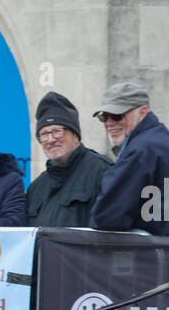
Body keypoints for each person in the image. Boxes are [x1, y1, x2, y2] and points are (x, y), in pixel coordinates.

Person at [88, 82, 169, 236]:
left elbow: (107, 216)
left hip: (158, 254)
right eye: (104, 117)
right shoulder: (162, 141)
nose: (109, 123)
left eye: (117, 115)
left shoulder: (142, 150)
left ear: (143, 112)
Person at [26, 92, 113, 227]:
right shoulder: (36, 188)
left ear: (76, 136)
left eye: (57, 131)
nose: (50, 140)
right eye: (44, 134)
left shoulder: (103, 172)